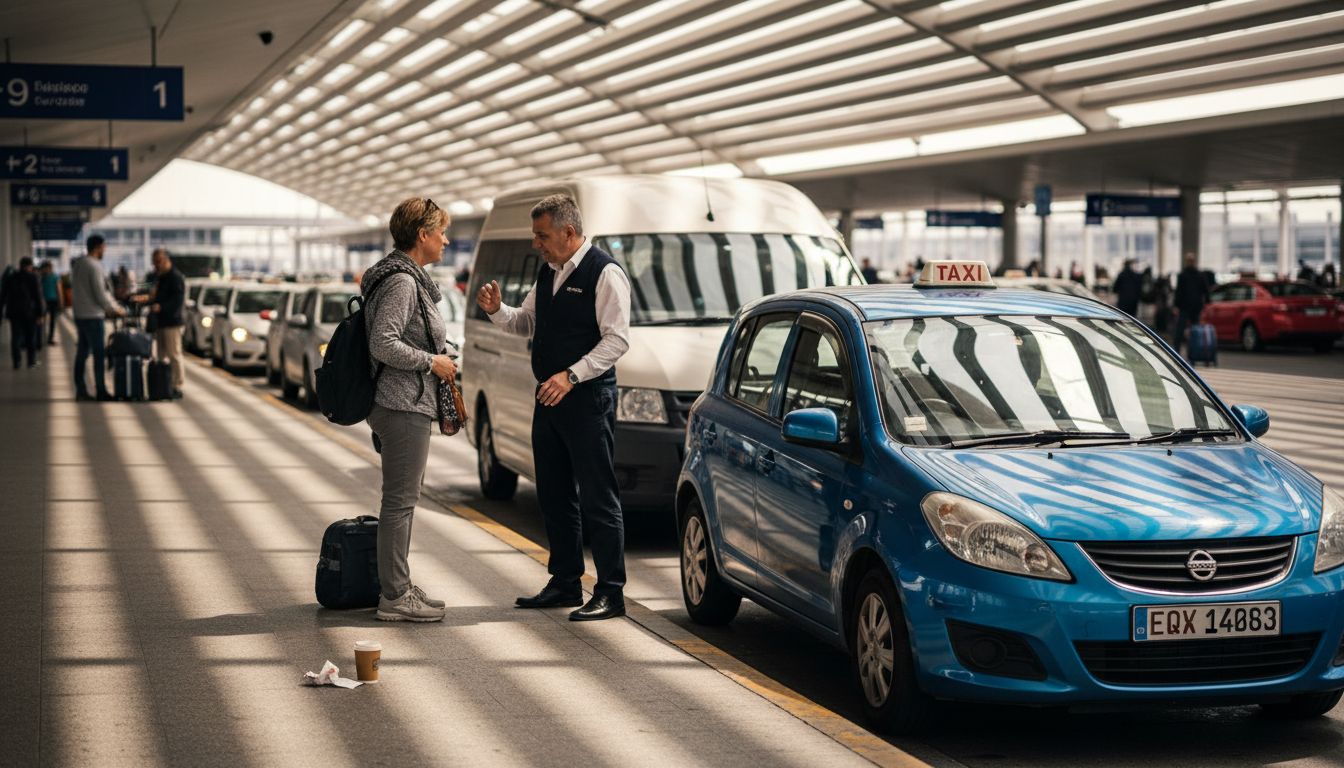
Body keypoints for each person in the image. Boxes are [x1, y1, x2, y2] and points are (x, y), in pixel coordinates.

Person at [476, 193, 632, 622]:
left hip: (586, 400)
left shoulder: (605, 273)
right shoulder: (548, 274)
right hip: (549, 399)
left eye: (541, 236)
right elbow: (527, 322)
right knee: (554, 493)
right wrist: (497, 311)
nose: (536, 244)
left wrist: (572, 375)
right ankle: (565, 581)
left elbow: (616, 339)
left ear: (568, 231)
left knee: (598, 497)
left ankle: (611, 592)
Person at [364, 198, 458, 623]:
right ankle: (395, 596)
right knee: (400, 503)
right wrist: (430, 362)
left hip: (405, 403)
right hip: (401, 405)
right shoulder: (403, 282)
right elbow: (383, 342)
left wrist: (441, 353)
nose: (446, 240)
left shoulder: (405, 278)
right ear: (422, 235)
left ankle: (399, 585)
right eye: (441, 231)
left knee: (402, 500)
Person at [71, 235, 126, 401]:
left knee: (82, 353)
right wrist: (115, 309)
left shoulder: (79, 263)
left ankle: (81, 389)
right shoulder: (94, 266)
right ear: (98, 247)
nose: (105, 250)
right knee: (99, 354)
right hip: (93, 316)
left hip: (80, 314)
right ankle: (101, 390)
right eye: (104, 247)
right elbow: (100, 293)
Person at [135, 248, 186, 398]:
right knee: (161, 354)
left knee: (174, 354)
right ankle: (165, 384)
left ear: (166, 260)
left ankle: (177, 385)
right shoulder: (161, 277)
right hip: (161, 321)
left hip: (172, 322)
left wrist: (161, 306)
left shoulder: (175, 277)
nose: (155, 266)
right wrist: (149, 300)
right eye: (154, 263)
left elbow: (178, 301)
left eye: (158, 262)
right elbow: (155, 295)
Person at [1, 257, 46, 369]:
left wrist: (1, 311)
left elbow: (3, 296)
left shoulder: (11, 278)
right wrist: (40, 314)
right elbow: (37, 297)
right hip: (29, 312)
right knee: (31, 337)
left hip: (14, 312)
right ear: (29, 266)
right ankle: (31, 362)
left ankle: (17, 362)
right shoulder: (33, 277)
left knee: (15, 337)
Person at [1172, 253, 1209, 358]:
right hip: (1195, 307)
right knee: (1194, 332)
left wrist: (1176, 306)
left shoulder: (1183, 275)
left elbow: (1179, 292)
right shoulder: (1200, 275)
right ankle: (1193, 353)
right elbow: (1206, 291)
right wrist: (1206, 303)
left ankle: (1176, 354)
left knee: (1180, 331)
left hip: (1185, 307)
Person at [40, 262, 61, 345]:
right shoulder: (42, 278)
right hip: (44, 301)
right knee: (44, 320)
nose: (47, 270)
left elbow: (59, 290)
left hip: (52, 301)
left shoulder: (54, 277)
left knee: (51, 321)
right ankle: (44, 338)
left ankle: (49, 338)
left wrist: (61, 302)